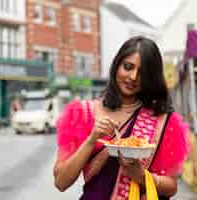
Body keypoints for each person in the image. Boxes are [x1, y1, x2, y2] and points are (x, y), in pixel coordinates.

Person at [53, 36, 189, 199]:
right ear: (116, 65)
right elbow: (61, 182)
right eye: (128, 67)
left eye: (142, 73)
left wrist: (141, 176)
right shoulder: (82, 113)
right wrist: (92, 139)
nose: (133, 77)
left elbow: (172, 187)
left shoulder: (163, 120)